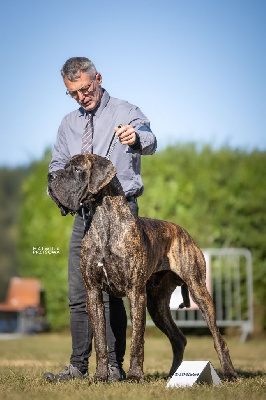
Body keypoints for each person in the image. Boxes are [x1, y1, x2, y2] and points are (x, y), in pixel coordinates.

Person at [43, 57, 157, 382]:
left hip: (122, 212)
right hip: (85, 216)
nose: (81, 96)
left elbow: (150, 139)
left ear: (98, 78)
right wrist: (60, 193)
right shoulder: (68, 124)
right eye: (73, 93)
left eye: (85, 88)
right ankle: (78, 367)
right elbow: (58, 168)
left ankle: (113, 367)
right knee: (79, 293)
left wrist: (134, 137)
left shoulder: (125, 110)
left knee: (113, 293)